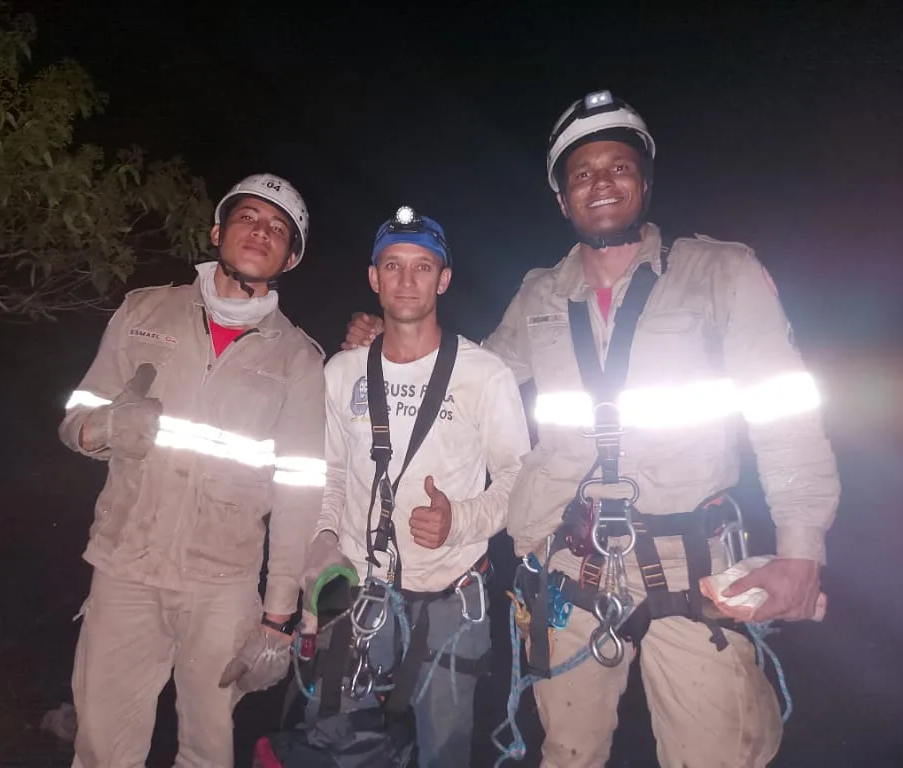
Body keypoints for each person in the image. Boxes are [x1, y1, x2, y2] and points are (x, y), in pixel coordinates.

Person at [343, 90, 841, 767]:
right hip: (566, 567)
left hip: (689, 566)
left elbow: (785, 410)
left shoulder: (719, 272)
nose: (600, 183)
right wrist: (392, 339)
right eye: (581, 173)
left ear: (644, 180)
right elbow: (469, 375)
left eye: (617, 166)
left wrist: (800, 549)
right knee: (567, 754)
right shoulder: (540, 293)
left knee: (719, 755)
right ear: (561, 198)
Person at [58, 173, 328, 768]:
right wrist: (103, 428)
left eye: (279, 229)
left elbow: (300, 490)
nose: (262, 232)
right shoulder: (143, 310)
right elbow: (76, 416)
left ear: (290, 258)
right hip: (125, 567)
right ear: (217, 231)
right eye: (249, 218)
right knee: (102, 746)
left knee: (207, 751)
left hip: (222, 585)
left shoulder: (301, 361)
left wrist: (278, 616)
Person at [298, 206, 531, 767]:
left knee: (443, 752)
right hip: (357, 592)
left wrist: (463, 521)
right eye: (393, 266)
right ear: (374, 278)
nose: (407, 281)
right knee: (334, 743)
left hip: (453, 598)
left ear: (443, 279)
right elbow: (330, 473)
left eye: (422, 267)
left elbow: (521, 478)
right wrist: (324, 541)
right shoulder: (342, 372)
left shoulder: (485, 375)